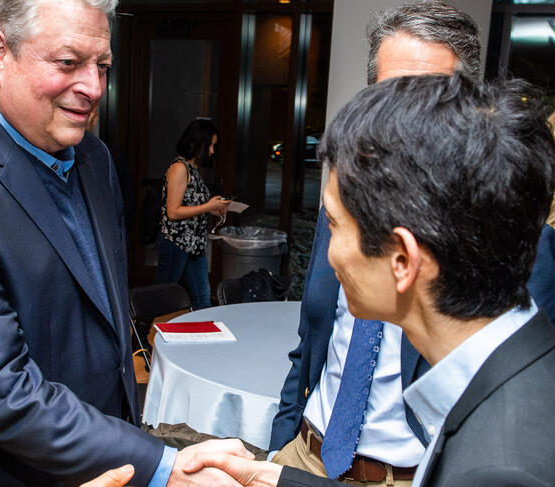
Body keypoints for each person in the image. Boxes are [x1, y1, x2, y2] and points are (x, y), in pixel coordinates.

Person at [0, 0, 249, 485]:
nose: (93, 87)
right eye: (68, 62)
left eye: (102, 66)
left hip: (108, 451)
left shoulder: (95, 158)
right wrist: (161, 466)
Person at [184, 73, 555, 487]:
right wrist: (274, 477)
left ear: (403, 260)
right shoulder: (508, 376)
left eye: (336, 225)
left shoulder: (501, 467)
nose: (329, 254)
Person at [270, 2, 555, 484]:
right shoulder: (347, 209)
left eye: (425, 104)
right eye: (389, 99)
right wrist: (276, 460)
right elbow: (311, 341)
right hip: (309, 453)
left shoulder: (516, 241)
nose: (399, 131)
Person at [155, 119, 230, 310]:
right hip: (176, 242)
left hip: (194, 244)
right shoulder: (179, 168)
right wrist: (207, 206)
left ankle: (202, 329)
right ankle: (144, 327)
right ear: (197, 142)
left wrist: (213, 208)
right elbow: (173, 212)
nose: (212, 151)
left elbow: (191, 205)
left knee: (203, 300)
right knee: (161, 296)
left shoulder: (194, 170)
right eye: (210, 145)